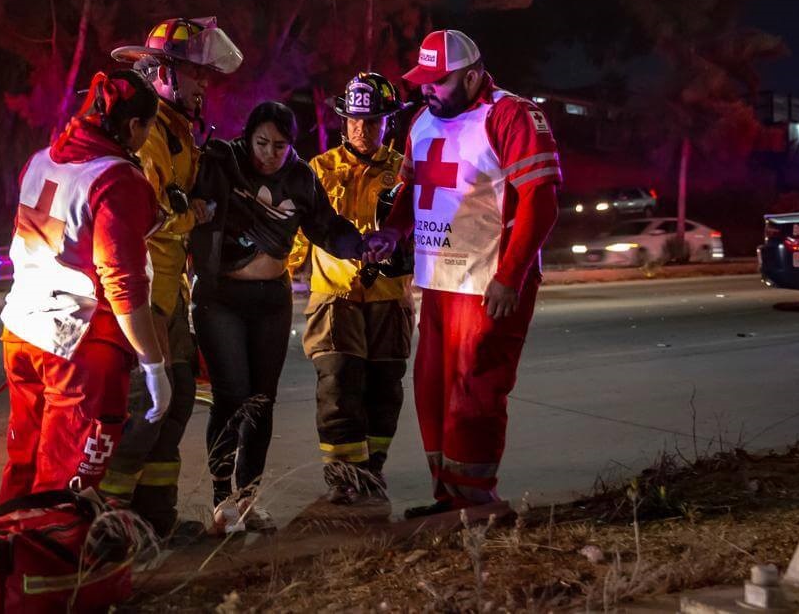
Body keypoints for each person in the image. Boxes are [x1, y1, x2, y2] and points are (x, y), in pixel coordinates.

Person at [368, 30, 561, 520]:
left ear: (473, 75)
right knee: (432, 388)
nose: (427, 91)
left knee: (476, 388)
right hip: (438, 280)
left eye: (439, 81)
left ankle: (474, 501)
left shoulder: (510, 115)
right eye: (423, 82)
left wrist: (511, 276)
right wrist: (392, 234)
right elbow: (412, 191)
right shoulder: (420, 122)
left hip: (488, 280)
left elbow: (542, 202)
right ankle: (447, 497)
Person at [189, 101, 387, 533]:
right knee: (231, 395)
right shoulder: (223, 161)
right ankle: (222, 501)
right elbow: (190, 194)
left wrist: (360, 246)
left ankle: (248, 499)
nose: (269, 154)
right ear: (247, 138)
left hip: (272, 300)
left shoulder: (299, 176)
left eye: (280, 146)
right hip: (220, 296)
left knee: (262, 400)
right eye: (261, 143)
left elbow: (326, 225)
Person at [0, 69, 170, 502]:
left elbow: (68, 236)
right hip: (75, 345)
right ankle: (49, 566)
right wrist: (153, 365)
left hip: (20, 332)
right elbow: (123, 284)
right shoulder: (117, 179)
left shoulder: (40, 160)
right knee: (64, 484)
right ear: (133, 126)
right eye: (147, 128)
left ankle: (9, 559)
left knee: (24, 465)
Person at [101, 17, 243, 540]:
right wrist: (196, 215)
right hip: (143, 292)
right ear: (163, 72)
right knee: (148, 410)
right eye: (194, 73)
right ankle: (112, 522)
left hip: (167, 288)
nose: (204, 84)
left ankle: (154, 519)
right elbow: (148, 214)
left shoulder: (177, 129)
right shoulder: (151, 132)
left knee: (178, 398)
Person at [287, 72, 414, 506]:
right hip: (333, 296)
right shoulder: (318, 170)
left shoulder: (403, 173)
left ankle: (372, 470)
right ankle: (344, 477)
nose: (363, 129)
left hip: (389, 298)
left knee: (385, 389)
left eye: (374, 121)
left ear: (387, 124)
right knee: (338, 385)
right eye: (356, 121)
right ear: (344, 121)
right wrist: (283, 269)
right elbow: (301, 228)